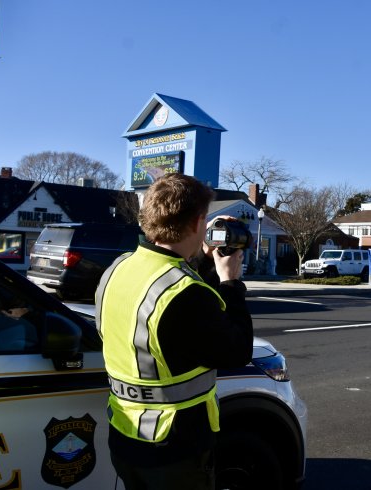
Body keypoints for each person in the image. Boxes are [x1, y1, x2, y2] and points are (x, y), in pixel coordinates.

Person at [95, 173, 253, 490]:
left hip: (125, 436)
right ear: (197, 224)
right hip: (174, 449)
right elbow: (237, 351)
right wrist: (231, 283)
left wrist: (206, 258)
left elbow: (167, 293)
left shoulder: (119, 268)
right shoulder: (187, 293)